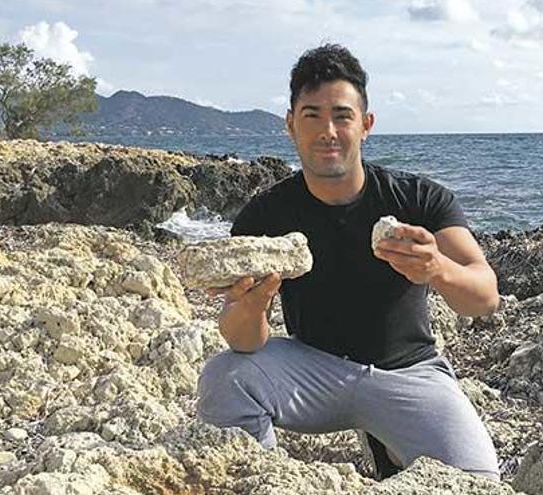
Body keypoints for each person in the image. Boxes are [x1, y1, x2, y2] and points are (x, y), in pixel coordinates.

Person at [196, 43, 501, 481]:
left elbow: (485, 297)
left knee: (478, 482)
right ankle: (258, 482)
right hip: (313, 371)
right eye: (312, 115)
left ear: (366, 125)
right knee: (226, 375)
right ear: (290, 125)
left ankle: (386, 442)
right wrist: (249, 304)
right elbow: (243, 340)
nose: (328, 131)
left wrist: (437, 268)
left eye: (342, 116)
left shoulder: (418, 199)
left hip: (408, 373)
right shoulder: (265, 216)